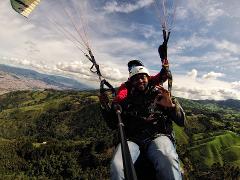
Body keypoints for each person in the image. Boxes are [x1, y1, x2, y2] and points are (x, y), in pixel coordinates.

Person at [99, 62, 185, 180]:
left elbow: (181, 121)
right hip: (132, 139)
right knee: (117, 165)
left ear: (148, 78)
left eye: (142, 77)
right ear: (131, 81)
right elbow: (113, 124)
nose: (140, 81)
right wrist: (105, 107)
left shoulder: (161, 94)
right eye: (135, 78)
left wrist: (170, 106)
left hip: (157, 135)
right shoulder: (125, 99)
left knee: (167, 158)